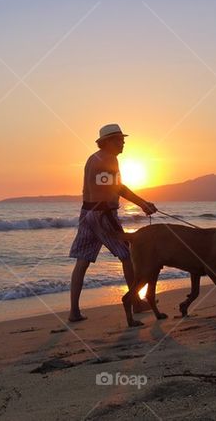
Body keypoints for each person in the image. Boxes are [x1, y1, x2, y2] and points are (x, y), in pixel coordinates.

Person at [68, 123, 158, 322]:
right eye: (119, 140)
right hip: (103, 214)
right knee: (127, 255)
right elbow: (118, 188)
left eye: (123, 140)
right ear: (107, 142)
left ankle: (74, 312)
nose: (123, 143)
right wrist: (143, 203)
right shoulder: (109, 159)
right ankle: (136, 303)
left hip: (86, 213)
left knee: (82, 262)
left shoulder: (93, 158)